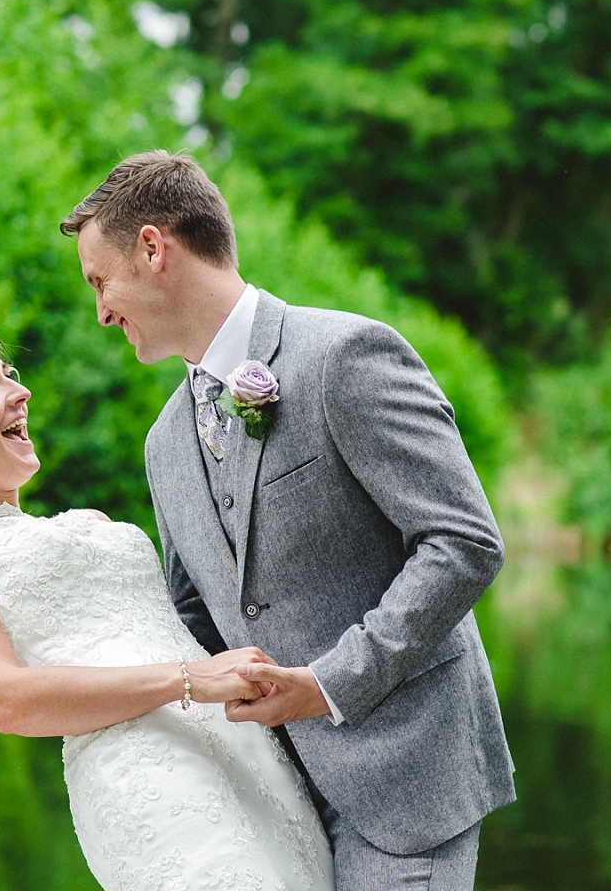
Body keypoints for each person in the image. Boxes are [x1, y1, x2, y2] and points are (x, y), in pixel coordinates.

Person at [62, 151, 515, 891]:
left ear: (153, 248)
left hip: (405, 782)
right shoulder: (164, 444)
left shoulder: (346, 355)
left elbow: (463, 541)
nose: (101, 310)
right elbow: (197, 619)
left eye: (99, 281)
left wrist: (331, 683)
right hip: (269, 807)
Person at [0, 309, 335, 891]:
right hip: (147, 778)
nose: (20, 391)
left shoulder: (92, 523)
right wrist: (193, 681)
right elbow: (5, 700)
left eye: (8, 373)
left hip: (245, 756)